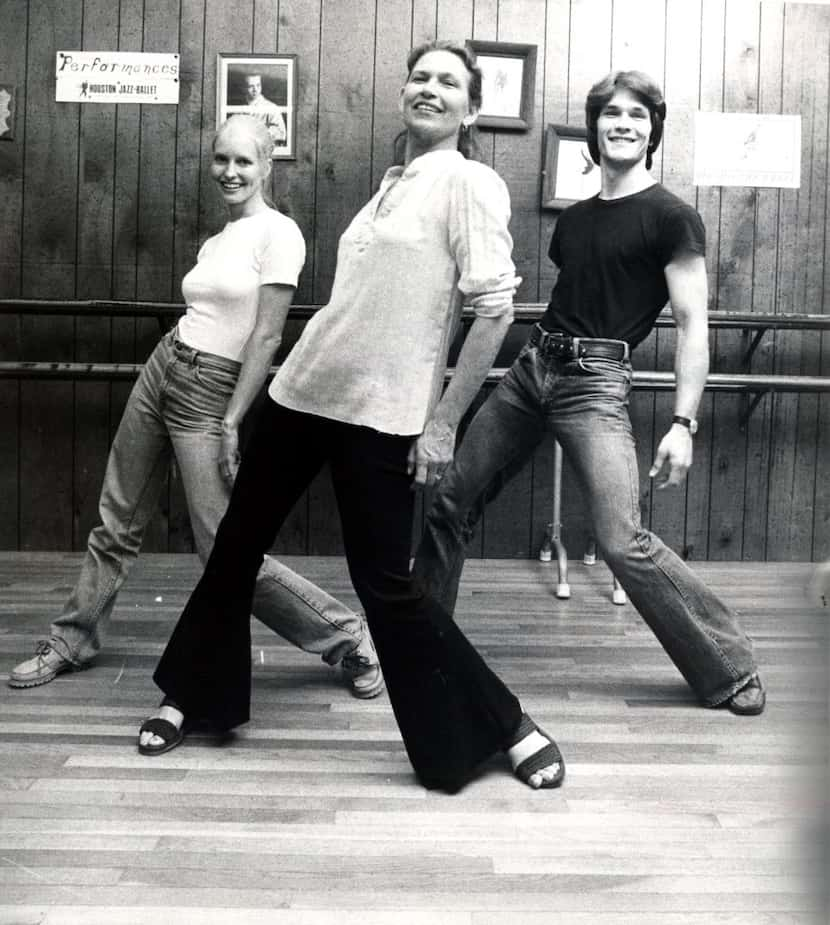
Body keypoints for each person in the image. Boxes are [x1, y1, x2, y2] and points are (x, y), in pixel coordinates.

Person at [138, 40, 565, 793]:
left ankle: (507, 723)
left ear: (471, 109)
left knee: (387, 587)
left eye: (448, 82)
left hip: (381, 416)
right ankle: (194, 698)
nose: (429, 88)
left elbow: (494, 310)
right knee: (234, 549)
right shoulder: (391, 185)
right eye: (420, 76)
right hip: (300, 393)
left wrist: (441, 424)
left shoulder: (468, 182)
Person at [413, 69, 766, 717]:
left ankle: (730, 664)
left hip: (597, 383)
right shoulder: (573, 222)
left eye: (637, 115)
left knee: (619, 537)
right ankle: (418, 645)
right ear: (595, 127)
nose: (623, 123)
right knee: (450, 498)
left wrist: (683, 423)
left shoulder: (671, 218)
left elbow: (692, 327)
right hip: (532, 369)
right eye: (611, 114)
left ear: (652, 131)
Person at [9, 114, 383, 709]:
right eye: (221, 160)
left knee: (224, 549)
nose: (230, 172)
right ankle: (70, 640)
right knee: (117, 516)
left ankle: (347, 635)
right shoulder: (217, 240)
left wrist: (233, 420)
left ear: (266, 165)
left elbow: (265, 339)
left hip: (211, 388)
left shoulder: (279, 233)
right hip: (165, 364)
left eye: (244, 161)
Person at [243, 74, 287, 146]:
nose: (255, 89)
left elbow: (281, 134)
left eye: (258, 85)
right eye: (251, 86)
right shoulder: (237, 107)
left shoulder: (272, 108)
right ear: (244, 88)